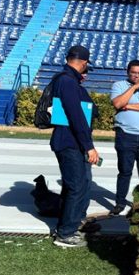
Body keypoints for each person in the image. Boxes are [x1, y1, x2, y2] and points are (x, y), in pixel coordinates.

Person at [50, 45, 100, 248]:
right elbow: (76, 115)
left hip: (74, 141)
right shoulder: (67, 81)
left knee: (80, 184)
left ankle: (73, 222)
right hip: (70, 142)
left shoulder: (70, 81)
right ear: (84, 63)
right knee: (76, 186)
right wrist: (89, 146)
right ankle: (65, 233)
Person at [109, 59, 139, 216]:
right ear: (128, 72)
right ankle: (120, 202)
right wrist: (134, 88)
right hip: (125, 134)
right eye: (133, 73)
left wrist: (128, 106)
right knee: (125, 171)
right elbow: (118, 104)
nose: (137, 76)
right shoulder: (119, 86)